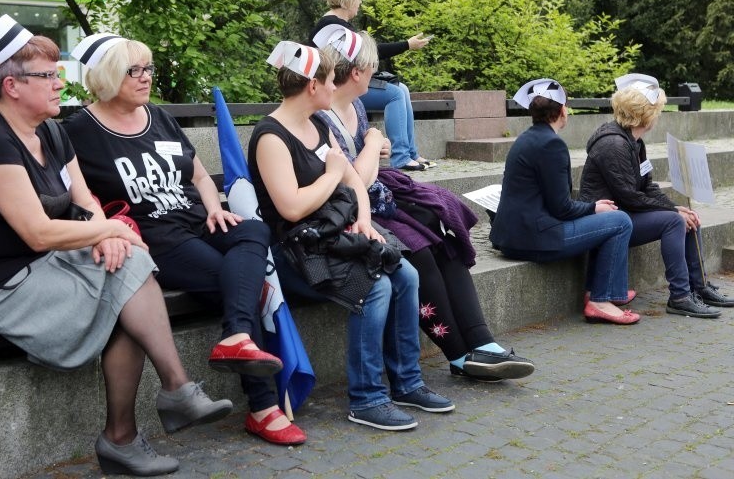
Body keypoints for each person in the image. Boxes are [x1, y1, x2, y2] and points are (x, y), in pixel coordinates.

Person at [0, 16, 234, 476]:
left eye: (59, 73)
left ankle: (171, 396)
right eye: (49, 76)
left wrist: (106, 230)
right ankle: (129, 432)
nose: (60, 85)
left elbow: (86, 199)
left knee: (131, 264)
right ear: (12, 86)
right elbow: (37, 230)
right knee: (124, 291)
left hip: (45, 261)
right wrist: (109, 231)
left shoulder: (51, 131)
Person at [61, 34, 306, 446]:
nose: (145, 78)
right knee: (243, 286)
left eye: (148, 68)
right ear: (105, 76)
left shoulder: (158, 116)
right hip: (155, 236)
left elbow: (195, 175)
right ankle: (263, 407)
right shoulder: (80, 131)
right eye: (133, 71)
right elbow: (78, 196)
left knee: (253, 229)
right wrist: (104, 231)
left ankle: (237, 338)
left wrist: (213, 205)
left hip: (197, 220)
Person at [248, 40, 454, 431]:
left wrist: (364, 220)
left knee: (406, 275)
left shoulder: (315, 125)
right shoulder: (272, 137)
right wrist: (330, 176)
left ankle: (407, 382)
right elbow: (291, 207)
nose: (335, 85)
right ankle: (367, 398)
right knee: (373, 288)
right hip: (298, 249)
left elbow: (352, 181)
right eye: (329, 80)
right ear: (313, 86)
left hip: (334, 234)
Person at [311, 26, 535, 381]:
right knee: (419, 249)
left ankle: (481, 340)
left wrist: (377, 149)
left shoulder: (354, 105)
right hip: (349, 209)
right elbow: (352, 179)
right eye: (371, 69)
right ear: (357, 73)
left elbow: (368, 169)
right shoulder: (321, 117)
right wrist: (372, 145)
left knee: (444, 231)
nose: (375, 75)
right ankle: (459, 354)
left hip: (377, 196)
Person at [489, 78, 638, 325]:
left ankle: (607, 291)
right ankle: (601, 300)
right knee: (620, 221)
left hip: (513, 236)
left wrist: (592, 210)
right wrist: (594, 207)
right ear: (562, 111)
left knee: (606, 219)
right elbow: (561, 208)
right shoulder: (552, 144)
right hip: (534, 238)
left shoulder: (527, 138)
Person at [579, 73, 729, 318]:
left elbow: (646, 186)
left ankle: (698, 287)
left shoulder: (634, 141)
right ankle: (680, 297)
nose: (659, 115)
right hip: (608, 220)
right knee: (674, 220)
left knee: (688, 215)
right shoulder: (613, 144)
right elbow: (629, 196)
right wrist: (673, 212)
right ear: (645, 114)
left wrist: (676, 207)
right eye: (657, 109)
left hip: (625, 213)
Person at [309, 0, 434, 171]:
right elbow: (368, 54)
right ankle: (401, 157)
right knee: (394, 94)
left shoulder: (337, 24)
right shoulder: (332, 27)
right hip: (338, 90)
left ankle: (411, 152)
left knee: (402, 89)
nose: (359, 3)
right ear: (348, 1)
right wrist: (406, 45)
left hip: (346, 83)